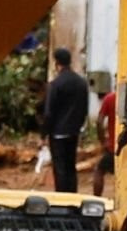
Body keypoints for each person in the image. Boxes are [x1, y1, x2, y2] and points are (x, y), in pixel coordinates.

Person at [39, 49, 91, 195]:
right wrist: (79, 125)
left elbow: (49, 112)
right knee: (70, 167)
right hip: (73, 131)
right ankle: (72, 198)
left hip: (58, 133)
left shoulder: (55, 84)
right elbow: (84, 108)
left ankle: (62, 199)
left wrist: (44, 134)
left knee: (60, 168)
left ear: (56, 63)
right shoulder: (81, 83)